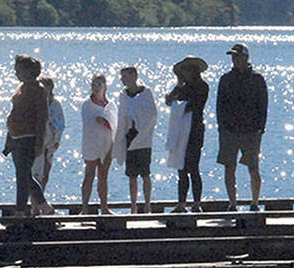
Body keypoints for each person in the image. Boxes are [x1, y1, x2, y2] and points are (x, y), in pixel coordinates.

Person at [215, 43, 267, 210]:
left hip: (251, 131)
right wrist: (222, 128)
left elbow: (263, 105)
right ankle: (232, 203)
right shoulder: (226, 79)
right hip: (229, 131)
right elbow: (220, 106)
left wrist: (260, 128)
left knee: (253, 167)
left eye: (238, 56)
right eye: (233, 57)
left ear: (246, 57)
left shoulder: (257, 79)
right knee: (229, 167)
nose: (235, 59)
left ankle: (255, 202)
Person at [4, 54, 53, 216]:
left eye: (18, 70)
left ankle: (20, 210)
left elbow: (42, 117)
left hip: (29, 138)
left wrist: (39, 142)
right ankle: (44, 205)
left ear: (28, 71)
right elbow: (14, 113)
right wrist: (8, 139)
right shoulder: (20, 88)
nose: (16, 73)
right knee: (24, 174)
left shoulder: (38, 90)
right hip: (16, 137)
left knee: (23, 175)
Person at [164, 56, 209, 212]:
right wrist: (177, 89)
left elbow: (194, 106)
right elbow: (169, 101)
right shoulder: (181, 87)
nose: (186, 73)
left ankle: (197, 203)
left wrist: (179, 103)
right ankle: (181, 203)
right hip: (181, 130)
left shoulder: (203, 86)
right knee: (181, 168)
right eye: (184, 70)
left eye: (189, 70)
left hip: (195, 130)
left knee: (194, 167)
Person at [112, 65, 158, 213]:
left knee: (145, 174)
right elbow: (122, 114)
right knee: (131, 175)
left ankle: (147, 205)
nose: (122, 80)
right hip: (129, 137)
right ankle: (133, 206)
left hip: (143, 138)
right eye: (122, 77)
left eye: (125, 76)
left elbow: (152, 113)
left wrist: (138, 119)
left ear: (134, 76)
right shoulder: (123, 95)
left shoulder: (146, 93)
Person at [79, 73, 117, 214]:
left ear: (105, 86)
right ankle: (84, 208)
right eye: (93, 84)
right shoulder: (87, 104)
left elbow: (115, 124)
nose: (96, 87)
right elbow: (88, 122)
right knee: (89, 175)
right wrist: (100, 120)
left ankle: (104, 207)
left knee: (103, 176)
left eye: (99, 84)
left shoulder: (111, 105)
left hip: (107, 144)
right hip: (91, 144)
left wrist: (106, 121)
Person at [36, 76, 65, 193]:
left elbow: (60, 123)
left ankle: (40, 198)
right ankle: (35, 206)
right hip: (37, 142)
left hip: (50, 142)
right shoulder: (35, 102)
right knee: (36, 174)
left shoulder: (56, 104)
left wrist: (57, 140)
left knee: (46, 173)